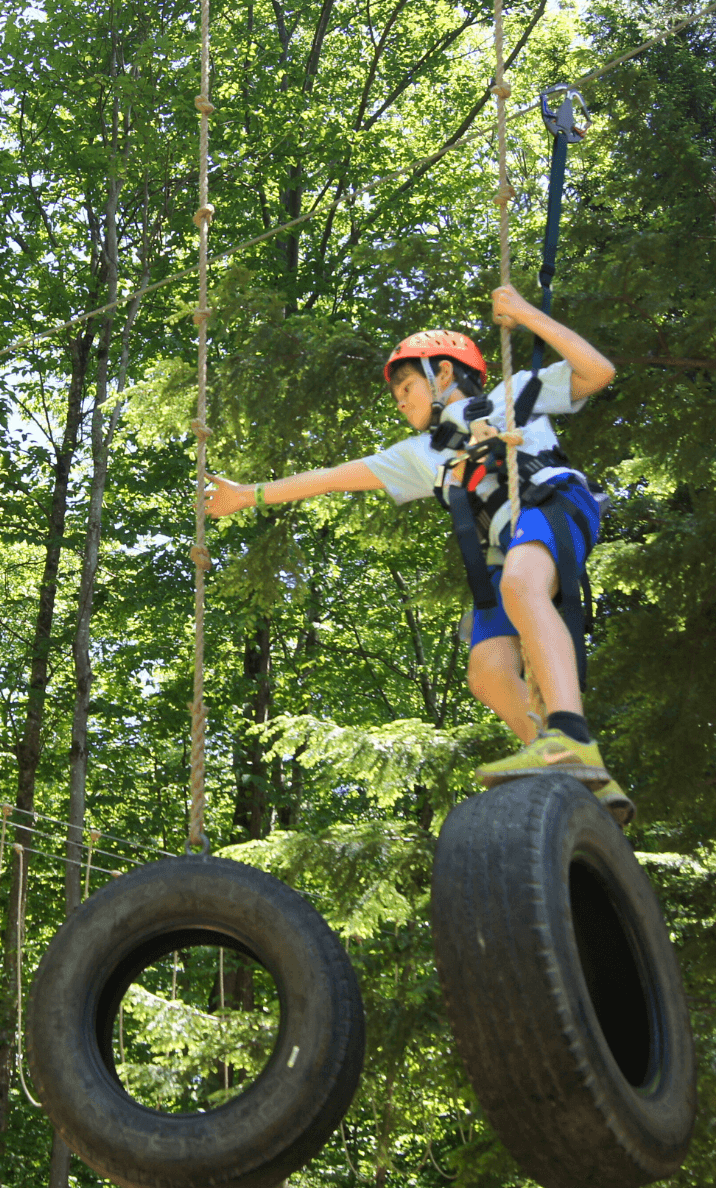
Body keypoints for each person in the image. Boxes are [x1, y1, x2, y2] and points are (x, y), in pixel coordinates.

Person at [206, 283, 633, 825]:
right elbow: (331, 479)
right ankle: (569, 770)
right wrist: (249, 495)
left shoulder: (513, 395)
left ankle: (569, 733)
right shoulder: (419, 453)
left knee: (520, 586)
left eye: (406, 386)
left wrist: (526, 315)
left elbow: (597, 372)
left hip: (552, 505)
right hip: (507, 547)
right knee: (487, 669)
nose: (400, 400)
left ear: (444, 374)